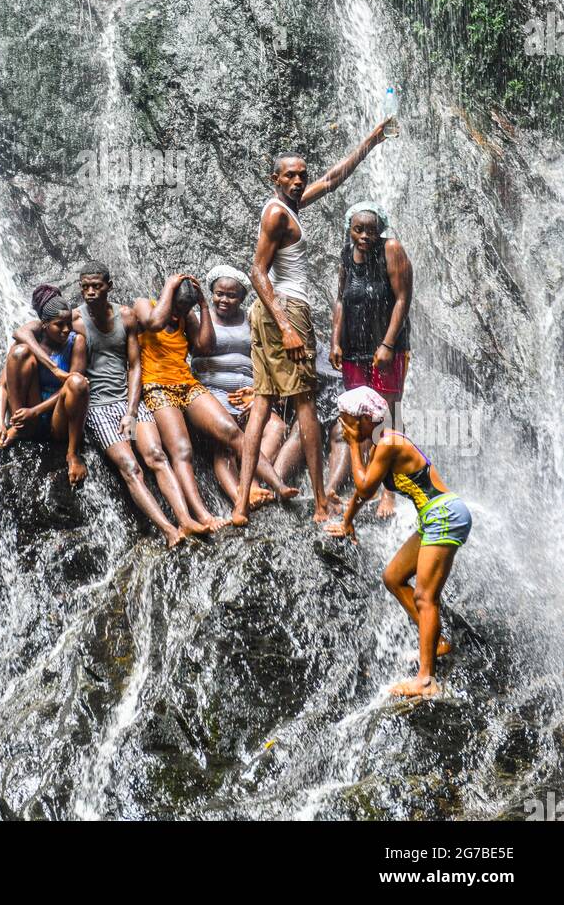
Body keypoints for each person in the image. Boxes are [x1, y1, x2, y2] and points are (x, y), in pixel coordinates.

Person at [234, 120, 390, 526]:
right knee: (305, 402)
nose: (300, 180)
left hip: (271, 313)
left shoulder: (290, 207)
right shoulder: (276, 216)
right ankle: (322, 502)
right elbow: (256, 271)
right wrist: (286, 326)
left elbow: (331, 180)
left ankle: (239, 505)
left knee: (263, 405)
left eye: (302, 174)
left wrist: (369, 143)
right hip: (286, 310)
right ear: (275, 179)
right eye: (291, 175)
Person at [11, 264, 211, 548]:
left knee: (156, 455)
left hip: (128, 402)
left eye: (96, 286)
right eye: (85, 287)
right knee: (131, 467)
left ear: (109, 285)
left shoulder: (126, 316)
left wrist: (131, 410)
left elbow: (134, 365)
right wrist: (51, 371)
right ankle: (168, 530)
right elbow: (24, 331)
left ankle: (187, 519)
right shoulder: (75, 321)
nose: (90, 292)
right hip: (97, 407)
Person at [325, 386, 472, 698]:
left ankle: (426, 681)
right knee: (393, 577)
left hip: (445, 514)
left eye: (349, 421)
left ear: (367, 419)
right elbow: (364, 492)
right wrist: (347, 522)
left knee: (424, 595)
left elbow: (364, 487)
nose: (345, 427)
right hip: (432, 519)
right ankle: (438, 643)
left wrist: (352, 445)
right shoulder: (382, 444)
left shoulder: (390, 441)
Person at [134, 274, 293, 527]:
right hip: (157, 387)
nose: (179, 314)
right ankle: (203, 516)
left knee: (232, 432)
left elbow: (204, 347)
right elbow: (153, 323)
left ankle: (277, 485)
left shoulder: (187, 316)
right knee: (182, 451)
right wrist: (169, 286)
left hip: (186, 384)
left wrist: (203, 306)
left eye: (184, 309)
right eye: (177, 307)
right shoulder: (146, 305)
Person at [329, 203, 413, 518]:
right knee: (359, 417)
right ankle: (365, 485)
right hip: (353, 349)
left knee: (388, 418)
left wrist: (388, 344)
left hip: (385, 349)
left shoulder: (391, 249)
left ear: (381, 229)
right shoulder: (345, 255)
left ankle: (389, 492)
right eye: (358, 229)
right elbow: (340, 298)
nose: (365, 236)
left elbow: (403, 297)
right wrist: (335, 341)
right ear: (349, 229)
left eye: (371, 230)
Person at [190, 264, 292, 474]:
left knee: (278, 428)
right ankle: (245, 489)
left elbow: (270, 361)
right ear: (211, 293)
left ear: (242, 298)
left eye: (231, 296)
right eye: (219, 294)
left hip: (251, 396)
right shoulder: (199, 319)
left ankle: (252, 481)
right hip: (212, 395)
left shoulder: (252, 320)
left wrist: (260, 395)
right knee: (226, 439)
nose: (224, 300)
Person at [0, 284, 89, 486]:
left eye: (68, 323)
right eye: (59, 325)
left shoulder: (77, 342)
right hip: (29, 411)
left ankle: (72, 454)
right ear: (44, 324)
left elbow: (72, 388)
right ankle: (19, 427)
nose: (66, 330)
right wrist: (0, 423)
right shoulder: (29, 341)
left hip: (58, 415)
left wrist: (35, 412)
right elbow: (3, 386)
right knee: (20, 353)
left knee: (77, 382)